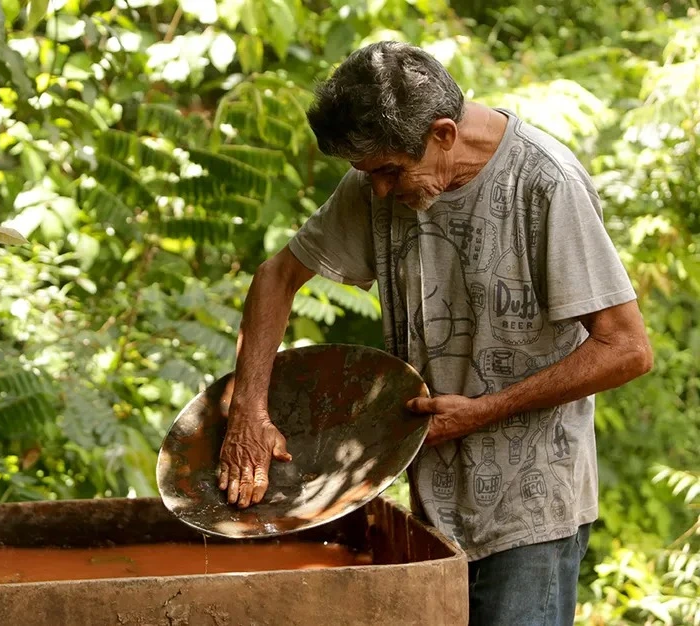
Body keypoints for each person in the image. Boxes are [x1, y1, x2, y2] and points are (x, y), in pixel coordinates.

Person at [216, 41, 653, 625]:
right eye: (366, 174)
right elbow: (275, 278)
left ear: (444, 132)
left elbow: (627, 348)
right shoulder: (383, 178)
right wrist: (249, 410)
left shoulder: (546, 184)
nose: (378, 191)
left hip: (531, 512)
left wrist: (485, 410)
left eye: (389, 172)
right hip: (433, 510)